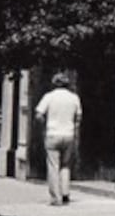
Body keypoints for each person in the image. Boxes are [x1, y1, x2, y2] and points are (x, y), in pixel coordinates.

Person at [35, 72, 82, 206]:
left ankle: (56, 197)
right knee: (66, 165)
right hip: (68, 134)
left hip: (53, 134)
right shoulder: (74, 98)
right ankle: (65, 193)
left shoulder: (49, 97)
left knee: (53, 166)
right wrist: (74, 129)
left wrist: (45, 125)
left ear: (54, 83)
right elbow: (78, 117)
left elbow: (39, 115)